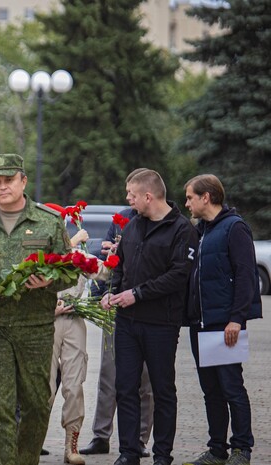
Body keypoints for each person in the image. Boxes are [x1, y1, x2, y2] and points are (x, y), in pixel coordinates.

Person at [0, 153, 71, 465]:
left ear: (23, 181)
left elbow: (70, 271)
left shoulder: (49, 222)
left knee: (35, 404)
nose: (3, 186)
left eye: (9, 180)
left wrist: (47, 280)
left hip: (35, 327)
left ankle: (27, 459)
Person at [100, 169, 198, 465]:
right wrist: (111, 291)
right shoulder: (131, 226)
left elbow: (179, 275)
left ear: (148, 195)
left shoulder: (183, 230)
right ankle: (129, 452)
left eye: (131, 194)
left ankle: (162, 455)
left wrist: (137, 294)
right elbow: (120, 266)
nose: (127, 200)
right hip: (127, 323)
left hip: (161, 324)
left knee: (162, 388)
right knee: (125, 387)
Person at [182, 174, 260, 465]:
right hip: (199, 323)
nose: (187, 203)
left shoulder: (234, 228)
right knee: (210, 391)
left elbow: (245, 275)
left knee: (231, 387)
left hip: (225, 324)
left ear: (207, 197)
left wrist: (237, 319)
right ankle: (217, 450)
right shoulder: (199, 231)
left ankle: (242, 448)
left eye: (190, 197)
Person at [80, 169, 153, 458]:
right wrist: (99, 296)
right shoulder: (123, 218)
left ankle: (140, 440)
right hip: (115, 309)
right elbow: (105, 261)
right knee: (109, 376)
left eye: (132, 194)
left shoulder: (166, 222)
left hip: (149, 311)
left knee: (145, 381)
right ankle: (101, 435)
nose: (128, 199)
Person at [44, 227, 98, 465]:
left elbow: (105, 273)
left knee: (74, 386)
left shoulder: (79, 255)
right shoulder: (41, 248)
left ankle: (71, 445)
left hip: (74, 319)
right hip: (46, 322)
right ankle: (32, 441)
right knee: (43, 387)